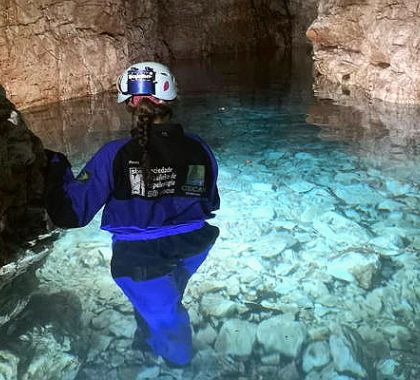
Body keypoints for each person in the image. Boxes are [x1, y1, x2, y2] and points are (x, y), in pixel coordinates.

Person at [44, 62, 220, 367]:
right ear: (170, 100)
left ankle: (180, 365)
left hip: (139, 260)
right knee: (166, 299)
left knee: (168, 319)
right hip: (195, 245)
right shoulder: (200, 148)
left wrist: (56, 167)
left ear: (129, 103)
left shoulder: (114, 154)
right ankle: (149, 336)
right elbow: (209, 202)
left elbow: (72, 214)